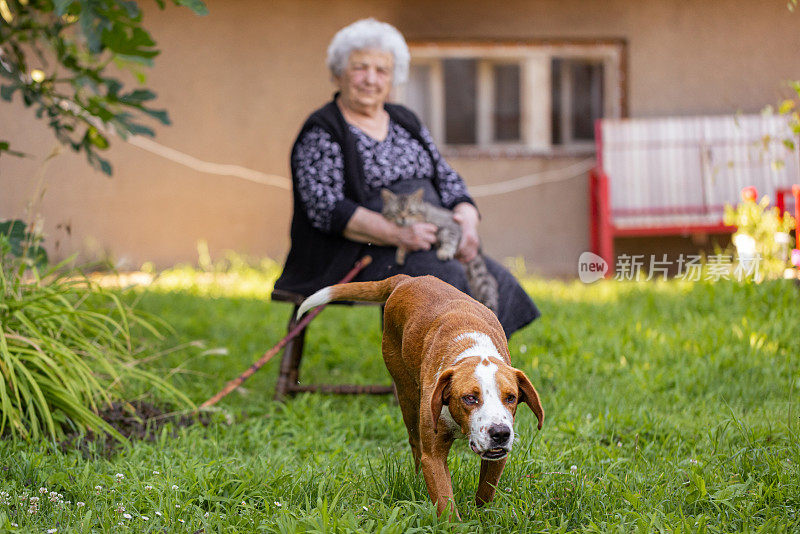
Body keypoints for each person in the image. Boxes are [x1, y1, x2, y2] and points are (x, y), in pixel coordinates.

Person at [274, 18, 539, 338]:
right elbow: (325, 206)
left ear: (392, 78)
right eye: (360, 67)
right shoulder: (323, 129)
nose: (371, 79)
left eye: (382, 70)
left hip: (430, 236)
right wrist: (397, 235)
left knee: (496, 281)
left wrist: (467, 219)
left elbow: (444, 176)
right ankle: (441, 372)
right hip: (359, 250)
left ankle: (481, 368)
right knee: (445, 278)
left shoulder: (405, 119)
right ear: (338, 73)